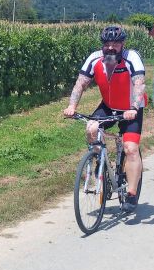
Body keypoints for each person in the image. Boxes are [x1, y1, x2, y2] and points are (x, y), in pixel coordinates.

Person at [62, 25, 147, 212]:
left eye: (115, 44)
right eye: (107, 44)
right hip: (108, 105)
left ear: (122, 44)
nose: (110, 47)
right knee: (91, 128)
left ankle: (132, 194)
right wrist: (72, 106)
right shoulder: (95, 59)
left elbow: (139, 84)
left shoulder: (131, 57)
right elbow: (80, 84)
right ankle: (100, 162)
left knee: (130, 148)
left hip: (131, 108)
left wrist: (133, 108)